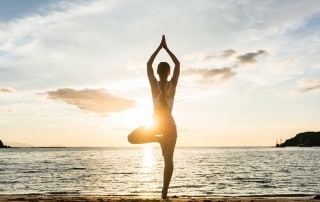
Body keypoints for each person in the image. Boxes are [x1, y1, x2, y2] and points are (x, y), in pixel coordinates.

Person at [127, 35, 180, 199]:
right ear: (169, 72)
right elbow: (178, 64)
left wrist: (159, 47)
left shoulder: (154, 86)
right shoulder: (173, 85)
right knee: (168, 161)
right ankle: (164, 193)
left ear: (157, 72)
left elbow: (148, 64)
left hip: (156, 126)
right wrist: (167, 48)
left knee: (131, 138)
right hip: (169, 126)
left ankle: (157, 139)